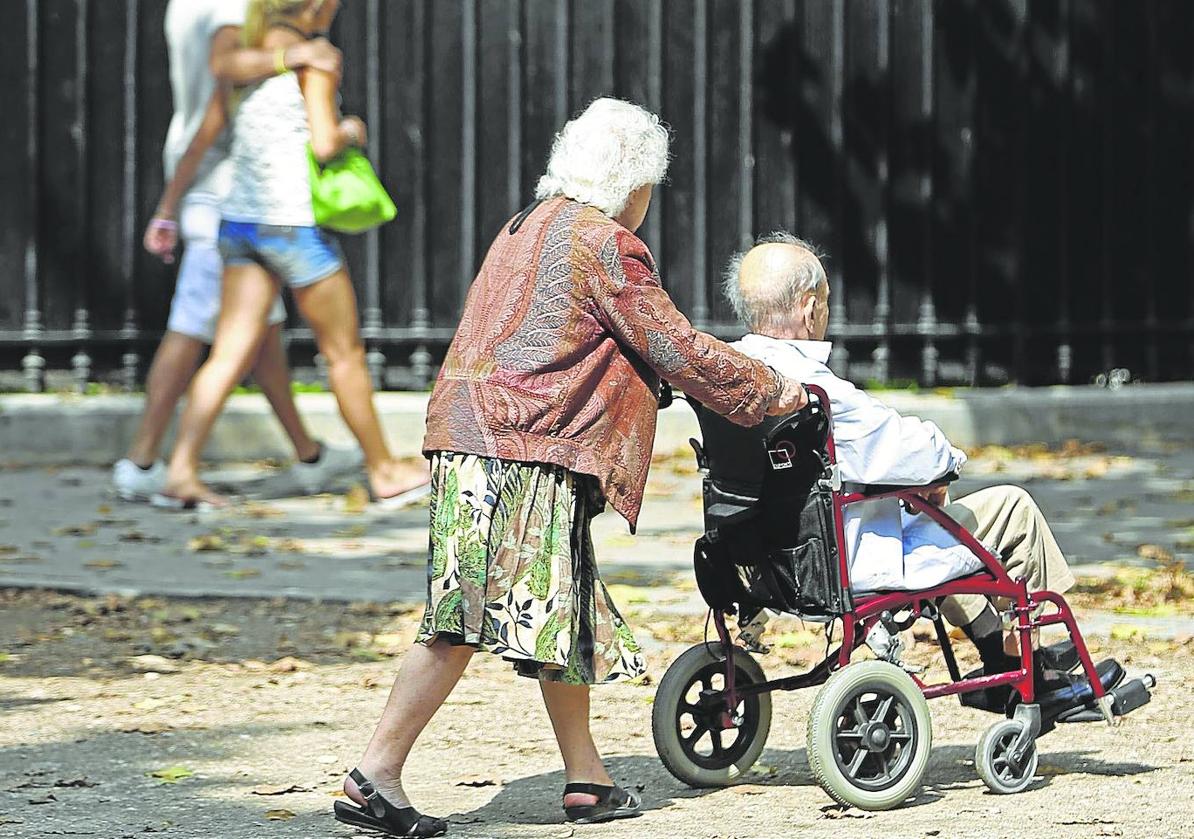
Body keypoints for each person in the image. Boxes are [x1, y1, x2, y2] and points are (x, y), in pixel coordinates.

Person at [334, 98, 809, 838]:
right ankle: (376, 772)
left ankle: (586, 776)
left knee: (565, 606)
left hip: (477, 435)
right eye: (651, 183)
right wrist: (770, 387)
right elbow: (675, 347)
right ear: (633, 182)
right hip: (518, 445)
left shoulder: (527, 224)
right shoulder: (606, 242)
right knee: (461, 615)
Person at [723, 232, 1122, 710]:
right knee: (1012, 508)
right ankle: (1031, 664)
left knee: (939, 527)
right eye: (826, 303)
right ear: (809, 309)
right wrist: (944, 468)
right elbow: (920, 451)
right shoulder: (820, 392)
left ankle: (997, 649)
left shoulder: (732, 373)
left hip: (771, 556)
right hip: (846, 556)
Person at [145, 0, 428, 509]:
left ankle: (180, 470)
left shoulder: (245, 55)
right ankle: (384, 470)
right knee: (344, 354)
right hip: (294, 226)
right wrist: (351, 131)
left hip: (241, 223)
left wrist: (167, 206)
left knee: (228, 353)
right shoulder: (314, 58)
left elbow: (206, 131)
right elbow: (322, 144)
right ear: (315, 6)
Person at [115, 0, 361, 503]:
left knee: (254, 339)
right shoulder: (238, 14)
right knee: (200, 334)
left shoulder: (189, 8)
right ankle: (145, 463)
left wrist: (167, 204)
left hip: (222, 194)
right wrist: (299, 55)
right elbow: (224, 68)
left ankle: (308, 454)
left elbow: (209, 105)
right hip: (233, 193)